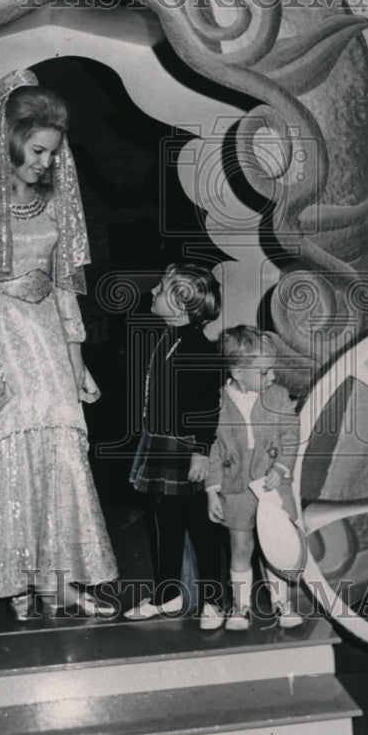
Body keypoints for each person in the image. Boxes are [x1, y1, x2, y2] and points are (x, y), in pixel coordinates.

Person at [0, 68, 117, 618]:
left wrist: (78, 357)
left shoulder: (57, 203)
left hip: (46, 338)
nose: (46, 163)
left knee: (61, 447)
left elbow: (65, 288)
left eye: (53, 154)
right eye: (37, 151)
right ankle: (12, 580)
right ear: (10, 141)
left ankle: (56, 580)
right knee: (7, 453)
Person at [124, 263, 226, 629]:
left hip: (187, 450)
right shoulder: (169, 339)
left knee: (200, 526)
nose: (152, 292)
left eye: (160, 288)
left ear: (181, 304)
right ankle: (169, 594)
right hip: (163, 444)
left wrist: (201, 449)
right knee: (165, 524)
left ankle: (214, 600)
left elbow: (208, 404)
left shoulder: (198, 349)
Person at [206, 325, 303, 630]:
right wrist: (212, 490)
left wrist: (281, 469)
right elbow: (210, 448)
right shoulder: (217, 402)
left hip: (272, 486)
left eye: (272, 370)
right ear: (237, 372)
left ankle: (281, 602)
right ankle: (240, 607)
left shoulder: (278, 396)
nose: (272, 377)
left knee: (275, 545)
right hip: (235, 491)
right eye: (264, 373)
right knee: (241, 547)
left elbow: (291, 434)